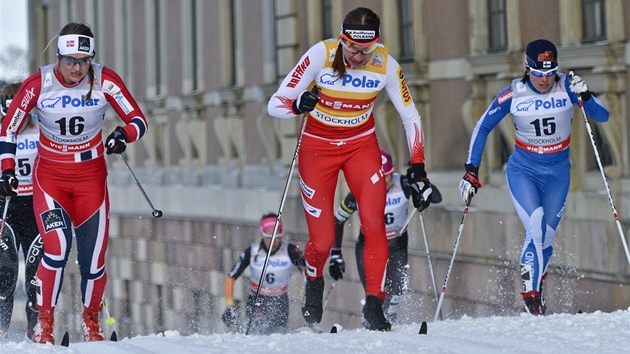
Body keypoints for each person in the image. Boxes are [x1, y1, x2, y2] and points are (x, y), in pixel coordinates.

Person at [267, 7, 433, 331]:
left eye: (366, 50)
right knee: (324, 239)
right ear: (342, 41)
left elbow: (411, 116)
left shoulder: (385, 64)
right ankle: (314, 276)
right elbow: (276, 103)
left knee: (373, 222)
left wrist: (418, 164)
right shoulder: (322, 54)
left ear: (377, 44)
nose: (359, 56)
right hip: (318, 149)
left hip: (360, 146)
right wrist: (296, 104)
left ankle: (374, 303)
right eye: (353, 48)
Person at [0, 22, 149, 343]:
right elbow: (9, 128)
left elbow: (138, 120)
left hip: (91, 179)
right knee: (56, 250)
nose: (78, 68)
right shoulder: (38, 82)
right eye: (70, 61)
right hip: (50, 178)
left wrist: (123, 135)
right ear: (59, 58)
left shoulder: (105, 79)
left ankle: (91, 323)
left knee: (93, 261)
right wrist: (8, 169)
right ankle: (44, 324)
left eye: (84, 61)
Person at [459, 39, 609, 315]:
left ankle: (536, 284)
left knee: (546, 239)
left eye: (550, 72)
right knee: (536, 227)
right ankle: (530, 297)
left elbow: (603, 116)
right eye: (539, 74)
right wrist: (471, 170)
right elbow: (482, 127)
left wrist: (586, 96)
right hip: (523, 171)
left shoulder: (567, 87)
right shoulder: (512, 94)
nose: (545, 79)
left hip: (558, 174)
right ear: (528, 69)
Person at [330, 150, 442, 325]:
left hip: (397, 244)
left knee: (396, 290)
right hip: (369, 246)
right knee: (373, 293)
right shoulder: (359, 190)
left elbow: (436, 198)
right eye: (381, 176)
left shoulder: (404, 183)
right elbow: (338, 220)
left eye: (388, 175)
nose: (385, 181)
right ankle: (369, 325)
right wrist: (336, 254)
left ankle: (389, 320)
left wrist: (418, 178)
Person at [0, 83, 43, 339]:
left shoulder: (43, 128)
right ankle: (2, 331)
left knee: (35, 276)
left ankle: (35, 330)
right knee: (4, 272)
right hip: (6, 207)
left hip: (37, 206)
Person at [222, 213, 304, 335]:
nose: (273, 241)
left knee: (278, 336)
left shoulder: (290, 250)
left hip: (280, 300)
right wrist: (230, 305)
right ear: (261, 234)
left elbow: (308, 270)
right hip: (257, 299)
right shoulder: (252, 251)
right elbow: (231, 276)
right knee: (257, 334)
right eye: (268, 237)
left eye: (277, 237)